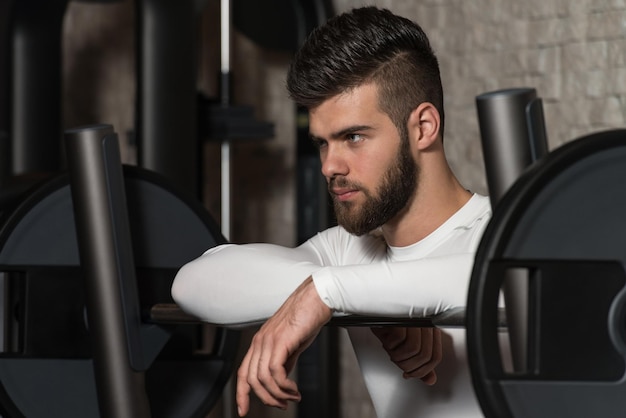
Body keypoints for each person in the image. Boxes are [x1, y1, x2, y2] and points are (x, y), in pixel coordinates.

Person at [172, 6, 492, 417]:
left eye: (353, 136)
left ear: (424, 127)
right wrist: (363, 295)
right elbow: (195, 281)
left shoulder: (505, 233)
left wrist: (335, 293)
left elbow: (499, 279)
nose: (329, 166)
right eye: (323, 142)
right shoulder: (349, 253)